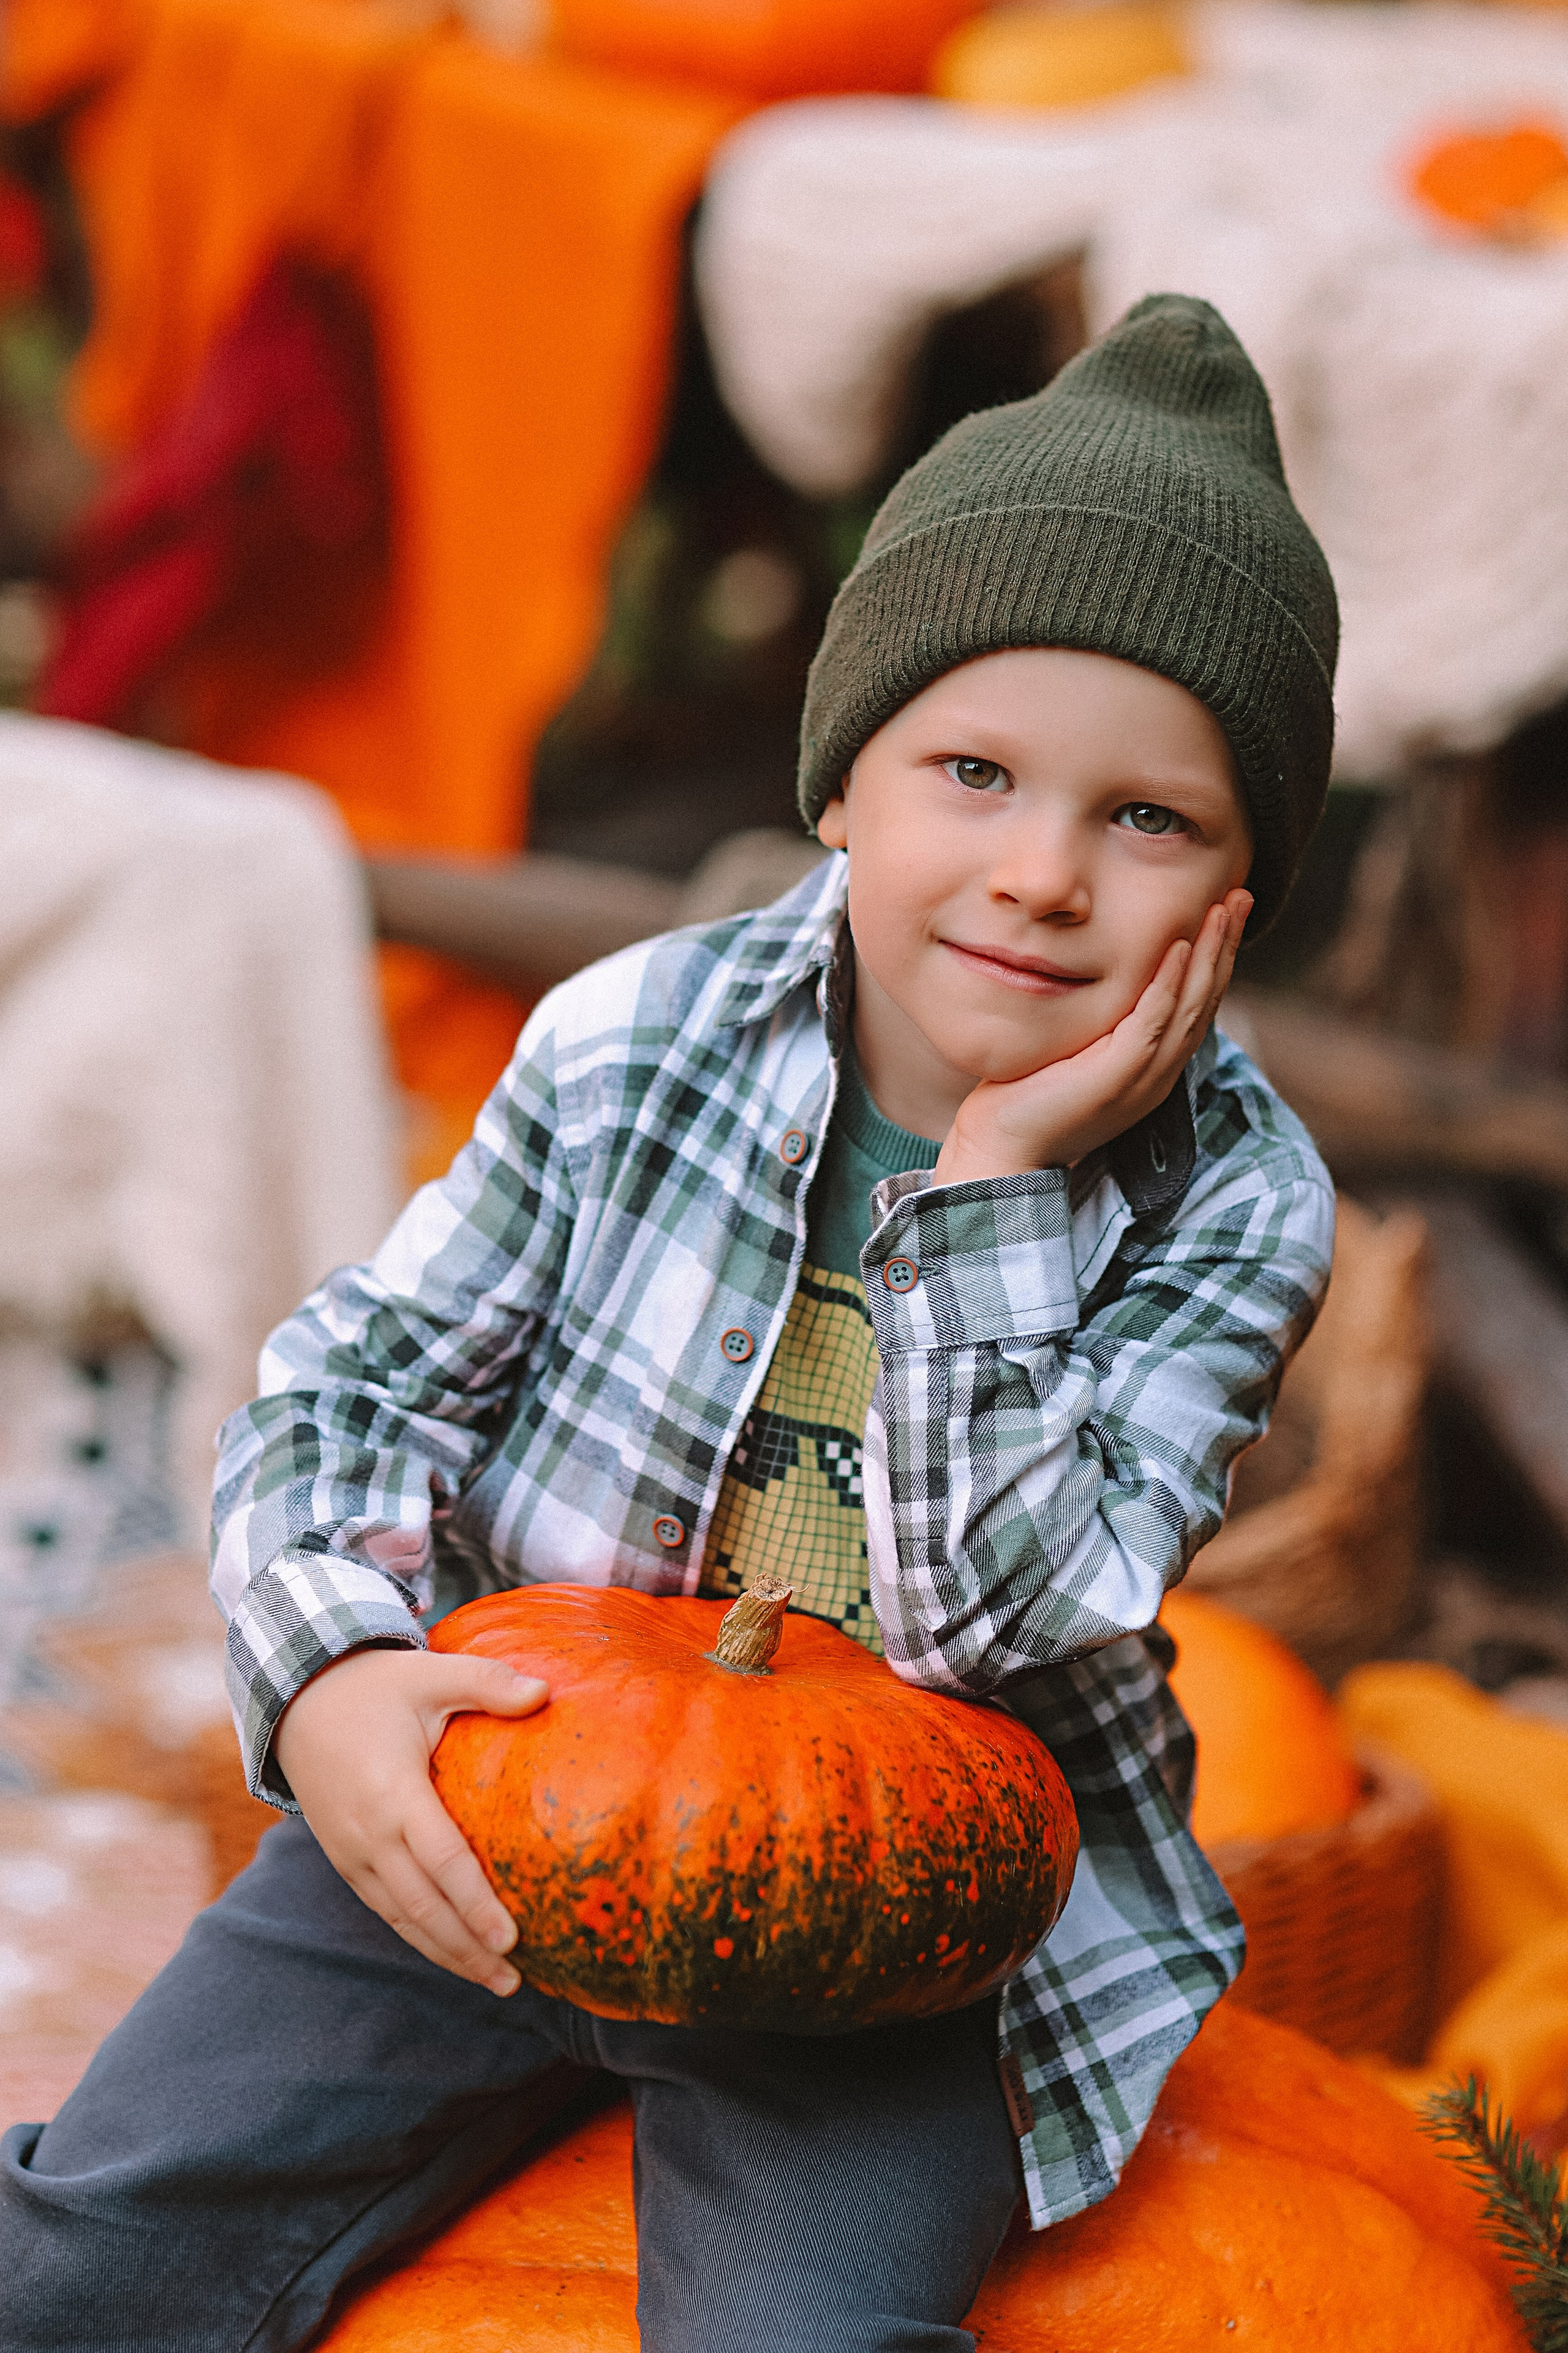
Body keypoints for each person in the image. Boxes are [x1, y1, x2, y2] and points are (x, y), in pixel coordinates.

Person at [2, 293, 1338, 2352]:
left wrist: (988, 1191)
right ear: (843, 785)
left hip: (893, 1938)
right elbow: (353, 1378)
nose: (1044, 873)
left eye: (1150, 819)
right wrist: (334, 1682)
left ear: (1244, 896)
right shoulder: (639, 1037)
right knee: (89, 2248)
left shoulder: (1235, 1207)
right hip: (496, 1807)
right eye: (970, 771)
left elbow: (1003, 1627)